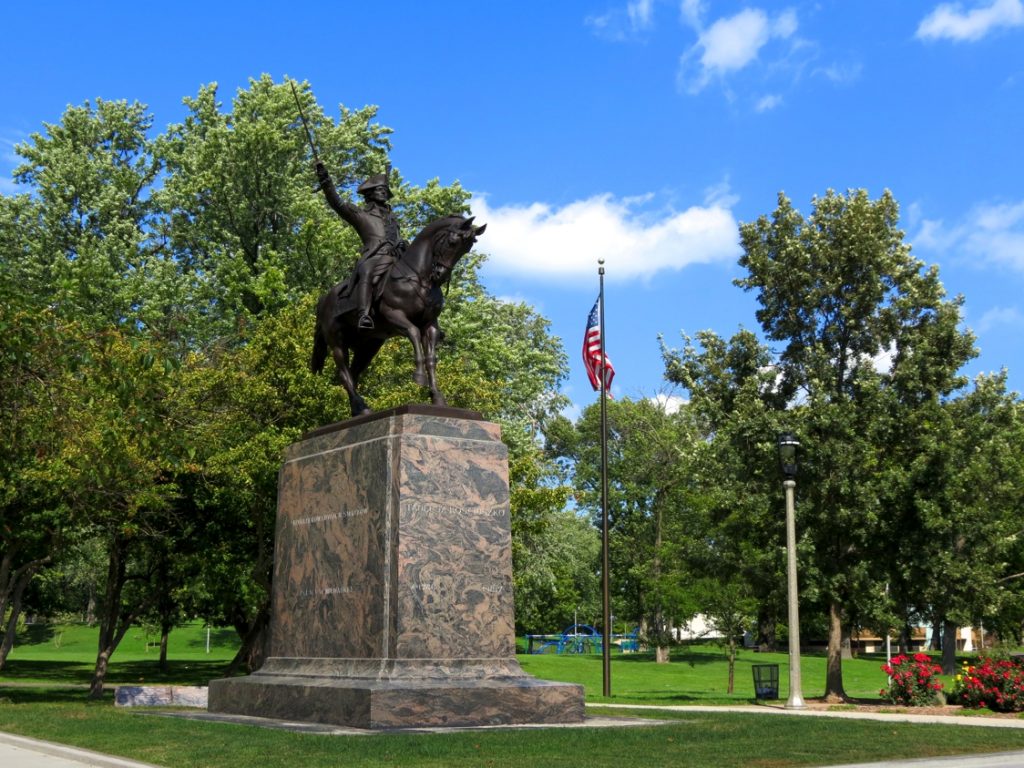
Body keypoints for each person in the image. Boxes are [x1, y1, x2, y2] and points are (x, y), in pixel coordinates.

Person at [314, 162, 407, 329]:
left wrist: (402, 244)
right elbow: (338, 204)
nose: (384, 193)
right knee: (367, 271)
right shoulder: (361, 215)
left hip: (397, 258)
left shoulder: (393, 218)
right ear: (370, 194)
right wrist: (326, 181)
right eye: (380, 190)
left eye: (386, 191)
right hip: (375, 256)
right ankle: (363, 314)